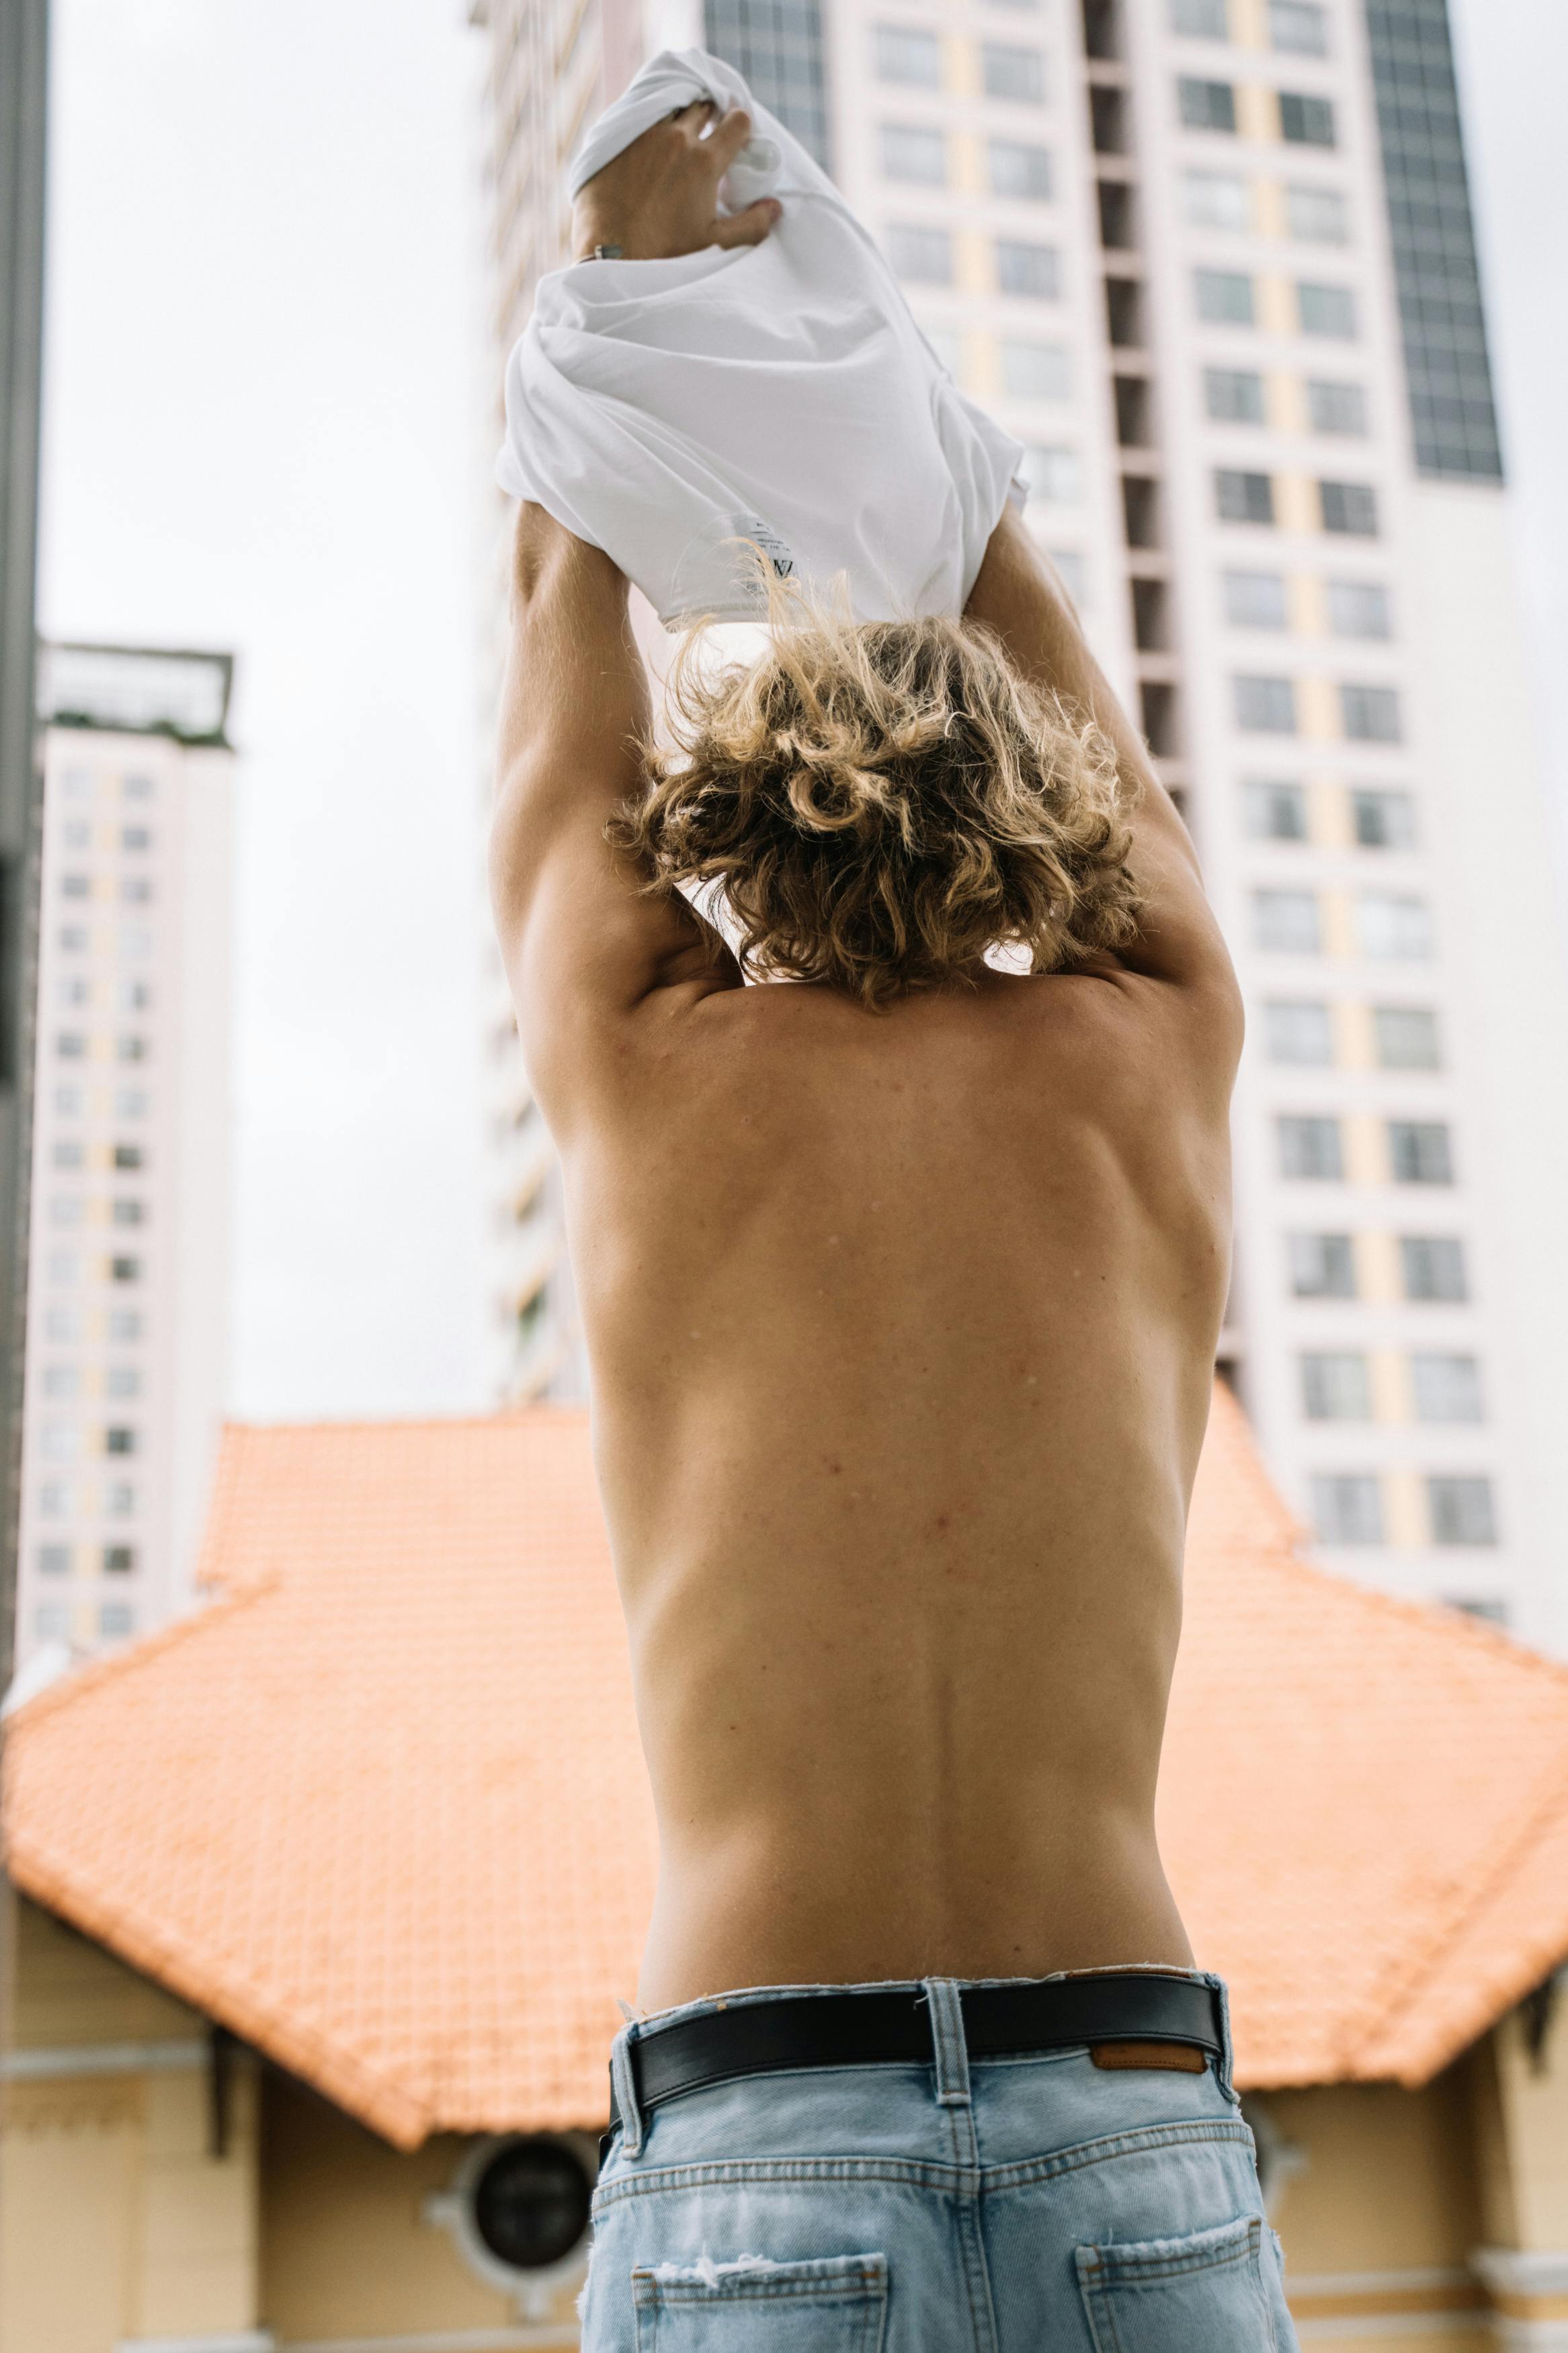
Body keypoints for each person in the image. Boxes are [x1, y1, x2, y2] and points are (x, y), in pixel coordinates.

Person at [489, 97, 1295, 2353]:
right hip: (1125, 2111)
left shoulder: (652, 1077)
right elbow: (1061, 687)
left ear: (727, 835)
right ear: (1036, 813)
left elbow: (556, 718)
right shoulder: (1148, 1055)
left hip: (768, 2137)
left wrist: (608, 331)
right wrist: (944, 476)